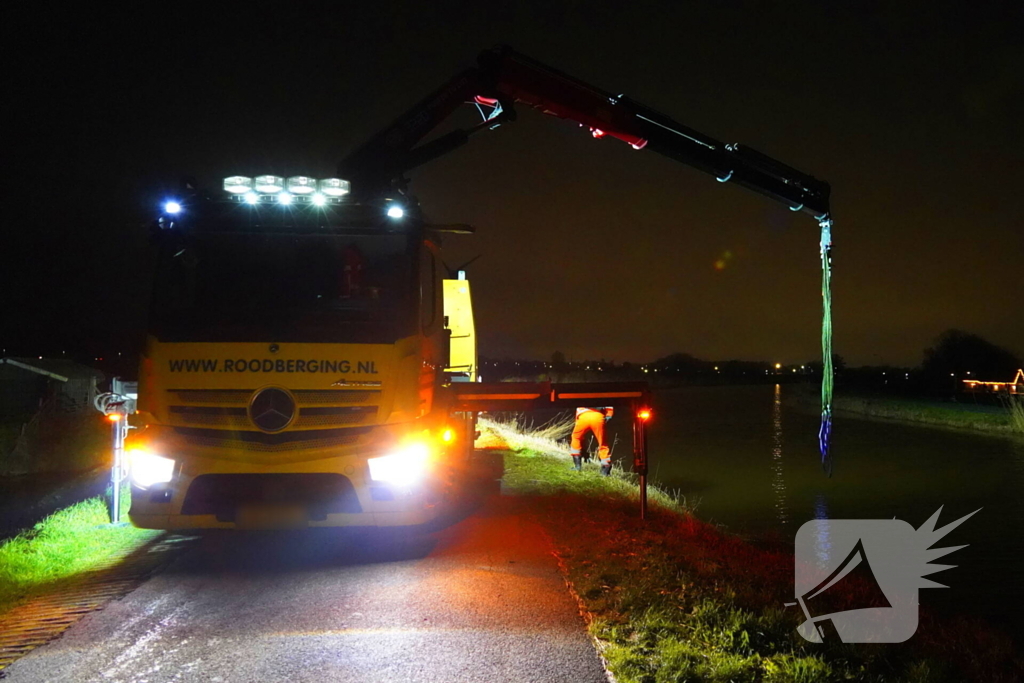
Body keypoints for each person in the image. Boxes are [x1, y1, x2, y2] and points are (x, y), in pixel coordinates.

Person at [570, 406, 614, 475]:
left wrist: (583, 451)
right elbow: (609, 406)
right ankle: (605, 468)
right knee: (602, 443)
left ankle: (577, 466)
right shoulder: (601, 394)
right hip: (598, 416)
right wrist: (609, 415)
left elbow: (577, 411)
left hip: (583, 417)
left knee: (576, 438)